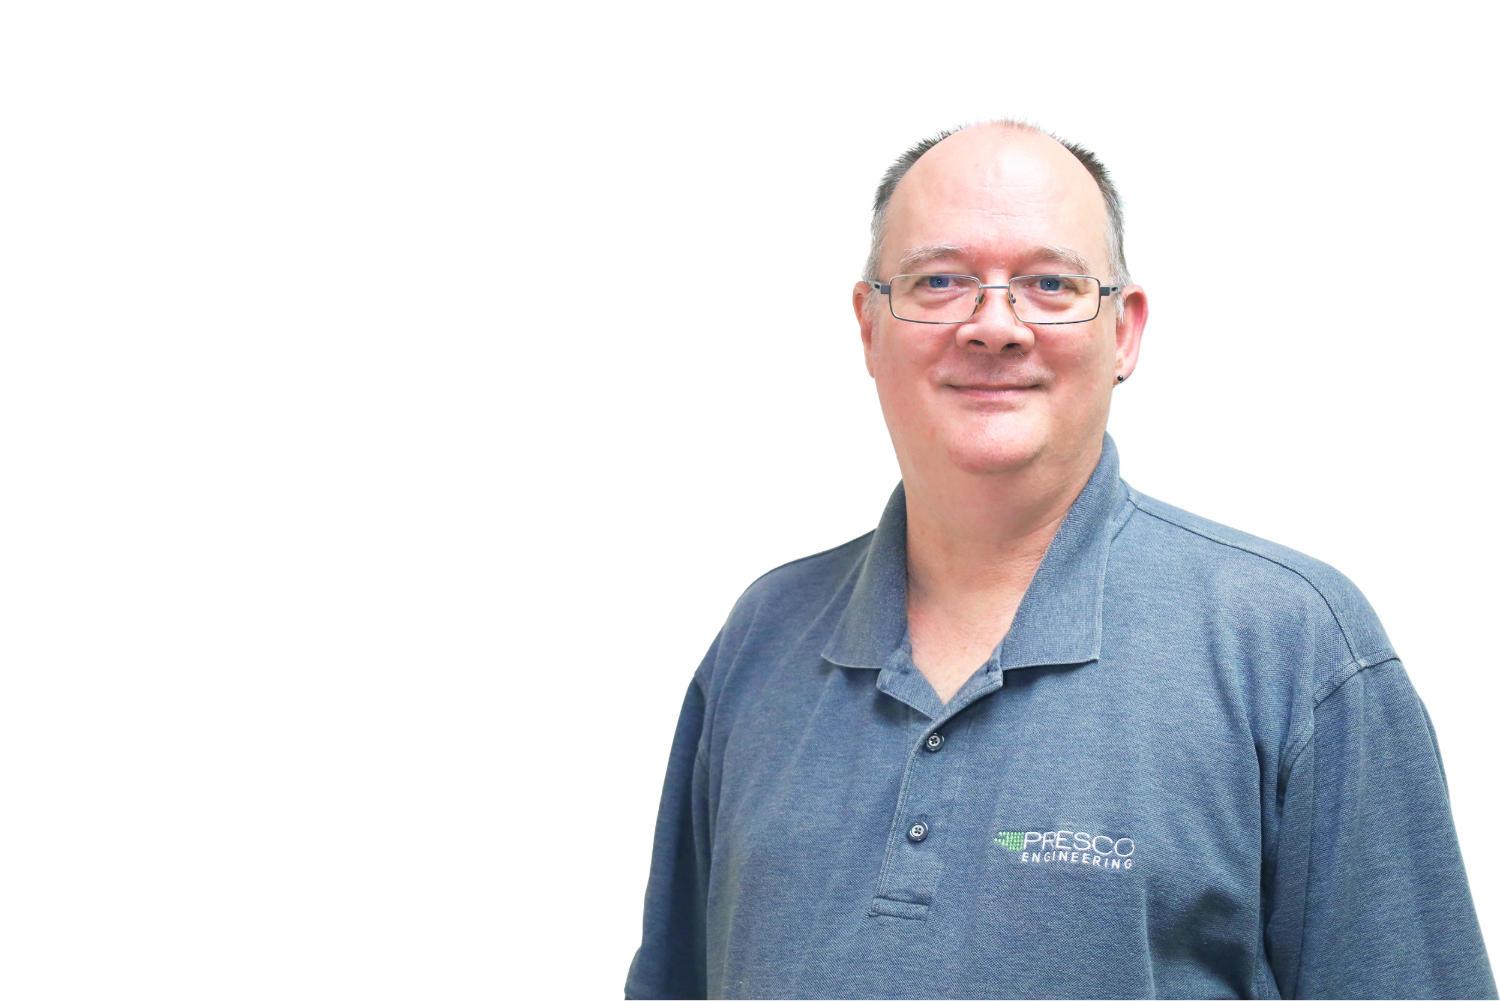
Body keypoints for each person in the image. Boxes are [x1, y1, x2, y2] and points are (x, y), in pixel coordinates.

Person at [624, 121, 1497, 1000]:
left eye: (1050, 283)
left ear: (1125, 330)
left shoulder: (1294, 651)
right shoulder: (761, 640)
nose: (994, 326)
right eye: (939, 281)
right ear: (868, 326)